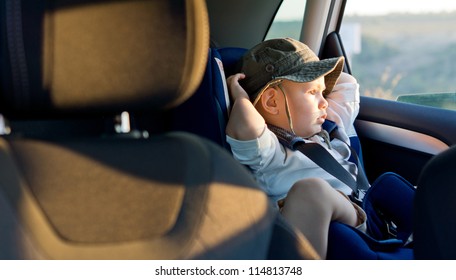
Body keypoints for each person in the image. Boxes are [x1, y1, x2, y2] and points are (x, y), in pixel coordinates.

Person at [225, 38, 366, 259]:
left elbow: (348, 83)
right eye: (313, 93)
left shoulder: (329, 130)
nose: (325, 102)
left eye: (324, 92)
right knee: (311, 191)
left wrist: (314, 82)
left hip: (366, 216)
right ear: (271, 102)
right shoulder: (270, 153)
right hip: (338, 226)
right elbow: (245, 126)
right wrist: (241, 97)